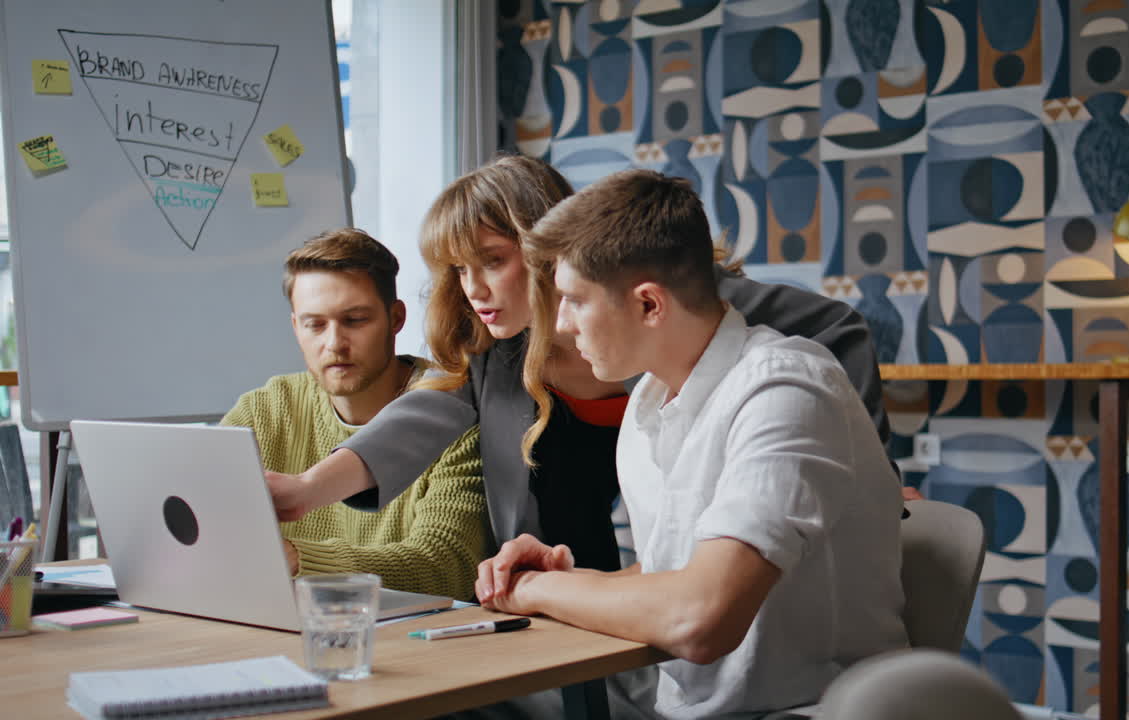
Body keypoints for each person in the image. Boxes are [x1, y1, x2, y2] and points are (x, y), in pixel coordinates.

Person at [266, 155, 902, 571]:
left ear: (547, 244)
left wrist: (871, 471)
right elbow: (424, 416)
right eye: (458, 269)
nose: (473, 288)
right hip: (579, 549)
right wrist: (304, 491)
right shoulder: (498, 351)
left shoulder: (680, 306)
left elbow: (835, 325)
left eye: (491, 259)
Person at [475, 169, 908, 718]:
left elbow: (699, 619)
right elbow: (677, 574)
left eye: (575, 301)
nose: (560, 326)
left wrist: (533, 592)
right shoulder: (647, 406)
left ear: (649, 305)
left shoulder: (787, 390)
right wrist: (569, 580)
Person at [222, 228, 488, 599]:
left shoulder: (454, 414)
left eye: (355, 320)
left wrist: (299, 560)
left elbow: (447, 566)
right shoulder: (264, 411)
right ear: (296, 327)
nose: (334, 344)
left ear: (396, 319)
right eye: (315, 324)